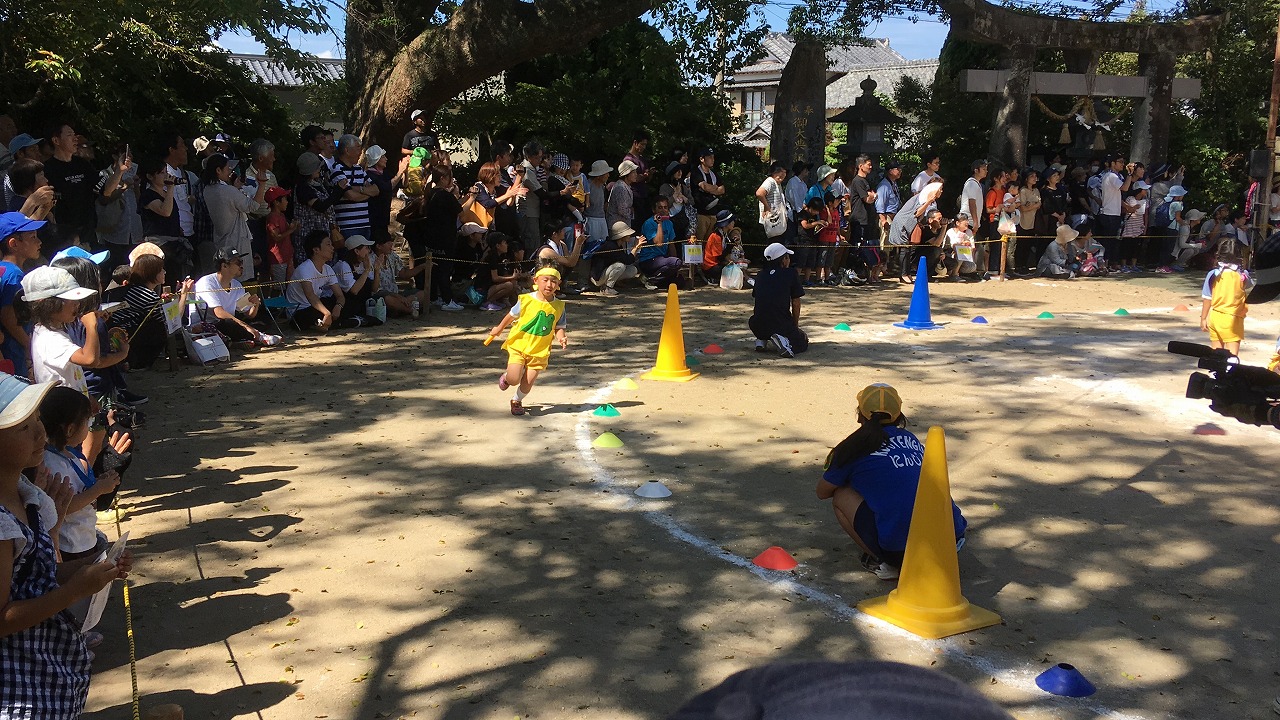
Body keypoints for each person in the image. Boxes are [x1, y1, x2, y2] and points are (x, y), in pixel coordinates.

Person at [0, 373, 132, 720]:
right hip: (20, 692)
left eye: (37, 422)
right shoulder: (0, 523)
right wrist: (73, 590)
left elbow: (31, 576)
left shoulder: (29, 498)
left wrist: (88, 571)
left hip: (50, 672)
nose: (40, 433)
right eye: (23, 428)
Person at [816, 383, 967, 580]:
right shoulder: (911, 439)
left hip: (904, 552)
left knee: (841, 494)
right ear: (899, 414)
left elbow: (822, 492)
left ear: (860, 414)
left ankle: (886, 562)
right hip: (950, 540)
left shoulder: (850, 448)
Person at [486, 266, 568, 416]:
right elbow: (511, 316)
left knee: (528, 382)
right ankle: (506, 377)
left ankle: (516, 401)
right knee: (514, 378)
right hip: (520, 345)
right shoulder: (526, 300)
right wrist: (499, 328)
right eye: (546, 280)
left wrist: (561, 337)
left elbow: (559, 327)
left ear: (558, 284)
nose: (549, 285)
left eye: (554, 282)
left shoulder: (559, 306)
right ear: (536, 281)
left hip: (540, 351)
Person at [21, 266, 100, 395]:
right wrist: (92, 327)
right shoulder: (50, 339)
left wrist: (88, 398)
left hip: (71, 404)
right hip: (63, 410)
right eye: (71, 301)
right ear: (49, 305)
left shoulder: (49, 330)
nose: (77, 304)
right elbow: (90, 360)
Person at [110, 254, 194, 368]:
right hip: (126, 337)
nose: (164, 272)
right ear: (151, 273)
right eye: (161, 270)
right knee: (160, 329)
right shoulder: (145, 294)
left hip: (120, 334)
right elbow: (173, 321)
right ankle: (138, 363)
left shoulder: (135, 289)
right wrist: (184, 294)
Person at [191, 248, 279, 345]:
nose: (241, 265)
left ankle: (244, 338)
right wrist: (245, 326)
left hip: (228, 322)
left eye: (241, 261)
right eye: (237, 262)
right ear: (224, 266)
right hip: (208, 325)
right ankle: (257, 337)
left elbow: (248, 314)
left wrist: (255, 305)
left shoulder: (236, 285)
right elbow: (219, 313)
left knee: (264, 318)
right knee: (231, 324)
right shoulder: (207, 283)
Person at [201, 154, 265, 281]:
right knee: (240, 277)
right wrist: (262, 184)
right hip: (237, 240)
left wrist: (234, 188)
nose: (230, 171)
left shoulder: (207, 190)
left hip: (221, 240)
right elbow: (253, 206)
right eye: (227, 168)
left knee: (226, 279)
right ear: (218, 170)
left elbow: (227, 201)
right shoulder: (227, 191)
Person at [0, 212, 45, 376]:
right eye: (32, 237)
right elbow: (8, 315)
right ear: (13, 244)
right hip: (13, 352)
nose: (39, 241)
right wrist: (30, 346)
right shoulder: (14, 275)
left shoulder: (4, 270)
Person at [42, 123, 97, 252]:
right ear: (56, 140)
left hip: (87, 231)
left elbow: (104, 189)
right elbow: (47, 203)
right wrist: (55, 228)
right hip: (64, 234)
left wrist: (119, 171)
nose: (75, 138)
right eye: (69, 135)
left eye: (74, 134)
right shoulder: (47, 169)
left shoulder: (83, 164)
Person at [748, 242, 807, 358]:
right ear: (783, 260)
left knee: (760, 319)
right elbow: (796, 302)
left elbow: (759, 300)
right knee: (802, 341)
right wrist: (795, 325)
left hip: (757, 325)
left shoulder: (760, 275)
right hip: (780, 323)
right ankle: (784, 341)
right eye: (787, 257)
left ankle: (762, 339)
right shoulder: (790, 273)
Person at [287, 231, 346, 332]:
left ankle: (327, 323)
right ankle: (338, 322)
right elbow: (310, 295)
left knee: (347, 302)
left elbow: (340, 296)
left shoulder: (327, 268)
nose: (332, 248)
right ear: (316, 250)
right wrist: (327, 313)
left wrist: (338, 306)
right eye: (328, 244)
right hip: (300, 310)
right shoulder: (305, 268)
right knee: (314, 314)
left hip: (316, 306)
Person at [1200, 250, 1254, 356]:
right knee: (1232, 359)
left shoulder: (1213, 274)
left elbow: (1207, 298)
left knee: (1216, 358)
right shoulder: (1242, 275)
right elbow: (1249, 285)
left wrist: (1203, 318)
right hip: (1233, 319)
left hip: (1215, 317)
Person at [330, 134, 379, 242]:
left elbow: (376, 190)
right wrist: (367, 193)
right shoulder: (337, 169)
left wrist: (359, 190)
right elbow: (351, 195)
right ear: (347, 150)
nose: (360, 152)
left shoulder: (359, 169)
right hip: (348, 226)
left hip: (365, 224)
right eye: (358, 148)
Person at [370, 235, 428, 317]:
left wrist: (421, 267)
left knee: (423, 294)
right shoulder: (370, 260)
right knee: (388, 300)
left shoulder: (392, 256)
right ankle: (410, 310)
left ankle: (402, 306)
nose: (391, 245)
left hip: (396, 293)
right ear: (379, 246)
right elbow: (375, 289)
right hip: (381, 295)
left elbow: (404, 274)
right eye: (388, 243)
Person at [637, 198, 682, 287]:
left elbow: (671, 243)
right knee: (675, 262)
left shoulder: (669, 223)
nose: (663, 210)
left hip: (662, 259)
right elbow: (659, 243)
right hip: (649, 260)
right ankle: (649, 279)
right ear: (654, 210)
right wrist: (659, 224)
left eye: (665, 207)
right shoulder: (649, 223)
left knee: (679, 281)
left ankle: (653, 280)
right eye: (660, 208)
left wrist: (675, 266)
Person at [591, 222, 643, 297]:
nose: (629, 235)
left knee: (632, 270)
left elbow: (628, 260)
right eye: (627, 234)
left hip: (605, 272)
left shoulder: (618, 245)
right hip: (598, 277)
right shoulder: (611, 246)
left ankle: (609, 284)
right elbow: (628, 260)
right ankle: (608, 288)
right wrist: (636, 247)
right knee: (620, 266)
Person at [475, 233, 524, 310]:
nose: (507, 245)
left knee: (513, 283)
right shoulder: (492, 257)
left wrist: (514, 277)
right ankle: (486, 302)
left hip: (491, 286)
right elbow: (495, 278)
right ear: (498, 246)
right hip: (483, 289)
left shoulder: (500, 256)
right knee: (509, 285)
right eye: (504, 243)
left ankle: (496, 300)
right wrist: (512, 277)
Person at [264, 186, 298, 284]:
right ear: (276, 202)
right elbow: (277, 237)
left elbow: (287, 231)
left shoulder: (282, 215)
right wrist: (291, 229)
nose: (287, 202)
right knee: (279, 287)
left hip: (287, 256)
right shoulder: (272, 218)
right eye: (285, 199)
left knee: (290, 285)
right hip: (278, 259)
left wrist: (294, 227)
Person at [690, 148, 725, 242]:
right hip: (700, 213)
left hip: (713, 213)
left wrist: (710, 189)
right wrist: (714, 188)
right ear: (702, 159)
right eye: (709, 157)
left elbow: (722, 190)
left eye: (713, 157)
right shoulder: (696, 172)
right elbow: (704, 186)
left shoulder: (714, 174)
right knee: (698, 241)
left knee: (709, 242)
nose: (712, 160)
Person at [756, 162, 789, 240]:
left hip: (777, 219)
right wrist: (766, 207)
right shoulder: (770, 181)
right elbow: (759, 193)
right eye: (780, 172)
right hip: (771, 219)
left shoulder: (777, 184)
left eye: (784, 172)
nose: (783, 174)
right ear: (774, 172)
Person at [944, 212, 978, 281]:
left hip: (965, 256)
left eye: (967, 220)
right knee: (960, 252)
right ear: (957, 223)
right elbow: (952, 246)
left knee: (972, 266)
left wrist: (968, 245)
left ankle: (961, 274)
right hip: (950, 255)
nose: (967, 222)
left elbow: (973, 247)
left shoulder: (969, 232)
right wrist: (962, 244)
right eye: (964, 220)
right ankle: (954, 274)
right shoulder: (950, 231)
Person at [702, 210, 734, 283]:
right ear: (726, 224)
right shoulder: (716, 236)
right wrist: (730, 246)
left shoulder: (724, 235)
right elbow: (719, 257)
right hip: (710, 266)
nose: (733, 223)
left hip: (717, 263)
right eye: (731, 221)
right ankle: (710, 277)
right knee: (730, 270)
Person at [607, 159, 638, 230]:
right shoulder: (620, 188)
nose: (636, 174)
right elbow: (622, 210)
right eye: (633, 172)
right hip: (617, 225)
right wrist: (631, 211)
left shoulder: (625, 186)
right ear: (627, 174)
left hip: (622, 224)